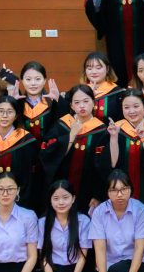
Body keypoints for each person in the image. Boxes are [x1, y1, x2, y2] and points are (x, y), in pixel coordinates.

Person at [101, 91, 144, 256]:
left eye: (136, 106)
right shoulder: (116, 129)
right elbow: (111, 164)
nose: (131, 111)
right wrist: (114, 138)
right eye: (126, 107)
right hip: (122, 191)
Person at [39, 85, 109, 213]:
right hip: (60, 188)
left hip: (87, 191)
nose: (82, 106)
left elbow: (103, 166)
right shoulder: (62, 124)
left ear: (94, 102)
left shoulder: (101, 130)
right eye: (77, 102)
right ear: (71, 105)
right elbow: (47, 154)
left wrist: (98, 194)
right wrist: (71, 135)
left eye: (86, 101)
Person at [37, 180, 91, 272]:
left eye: (65, 197)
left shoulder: (83, 221)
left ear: (73, 199)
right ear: (50, 200)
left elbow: (83, 257)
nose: (61, 202)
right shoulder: (43, 222)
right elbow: (44, 257)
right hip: (51, 271)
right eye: (56, 198)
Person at [18, 61, 61, 140]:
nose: (33, 83)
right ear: (22, 81)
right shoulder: (18, 104)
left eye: (38, 79)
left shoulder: (52, 103)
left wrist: (59, 101)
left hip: (48, 147)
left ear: (44, 80)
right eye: (28, 79)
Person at [81, 51, 126, 122]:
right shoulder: (79, 92)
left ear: (107, 69)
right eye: (89, 68)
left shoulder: (118, 93)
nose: (94, 72)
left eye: (98, 68)